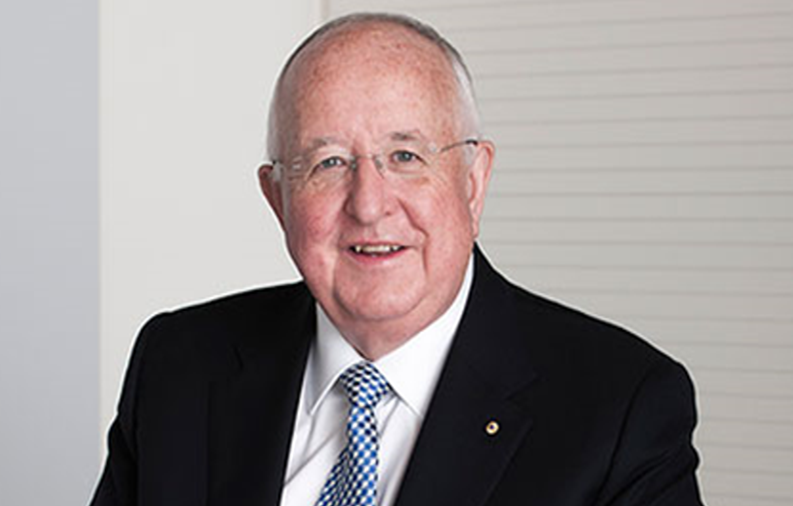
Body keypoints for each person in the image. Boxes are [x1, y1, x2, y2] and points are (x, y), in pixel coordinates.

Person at [90, 12, 704, 506]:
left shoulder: (621, 409)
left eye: (406, 156)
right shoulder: (178, 367)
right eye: (328, 163)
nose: (369, 204)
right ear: (278, 199)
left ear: (473, 182)